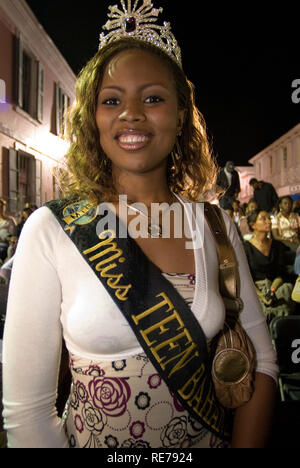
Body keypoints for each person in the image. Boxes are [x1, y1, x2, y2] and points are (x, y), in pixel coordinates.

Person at [3, 0, 277, 449]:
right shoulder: (50, 231)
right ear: (93, 116)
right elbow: (28, 413)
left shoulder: (216, 225)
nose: (132, 114)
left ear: (181, 114)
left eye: (152, 98)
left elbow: (262, 363)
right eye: (112, 100)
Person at [244, 210, 295, 321]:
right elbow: (247, 278)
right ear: (253, 225)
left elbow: (280, 273)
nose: (269, 222)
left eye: (269, 218)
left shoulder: (277, 246)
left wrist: (271, 291)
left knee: (287, 289)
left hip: (275, 287)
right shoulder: (246, 248)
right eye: (263, 218)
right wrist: (262, 296)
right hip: (256, 290)